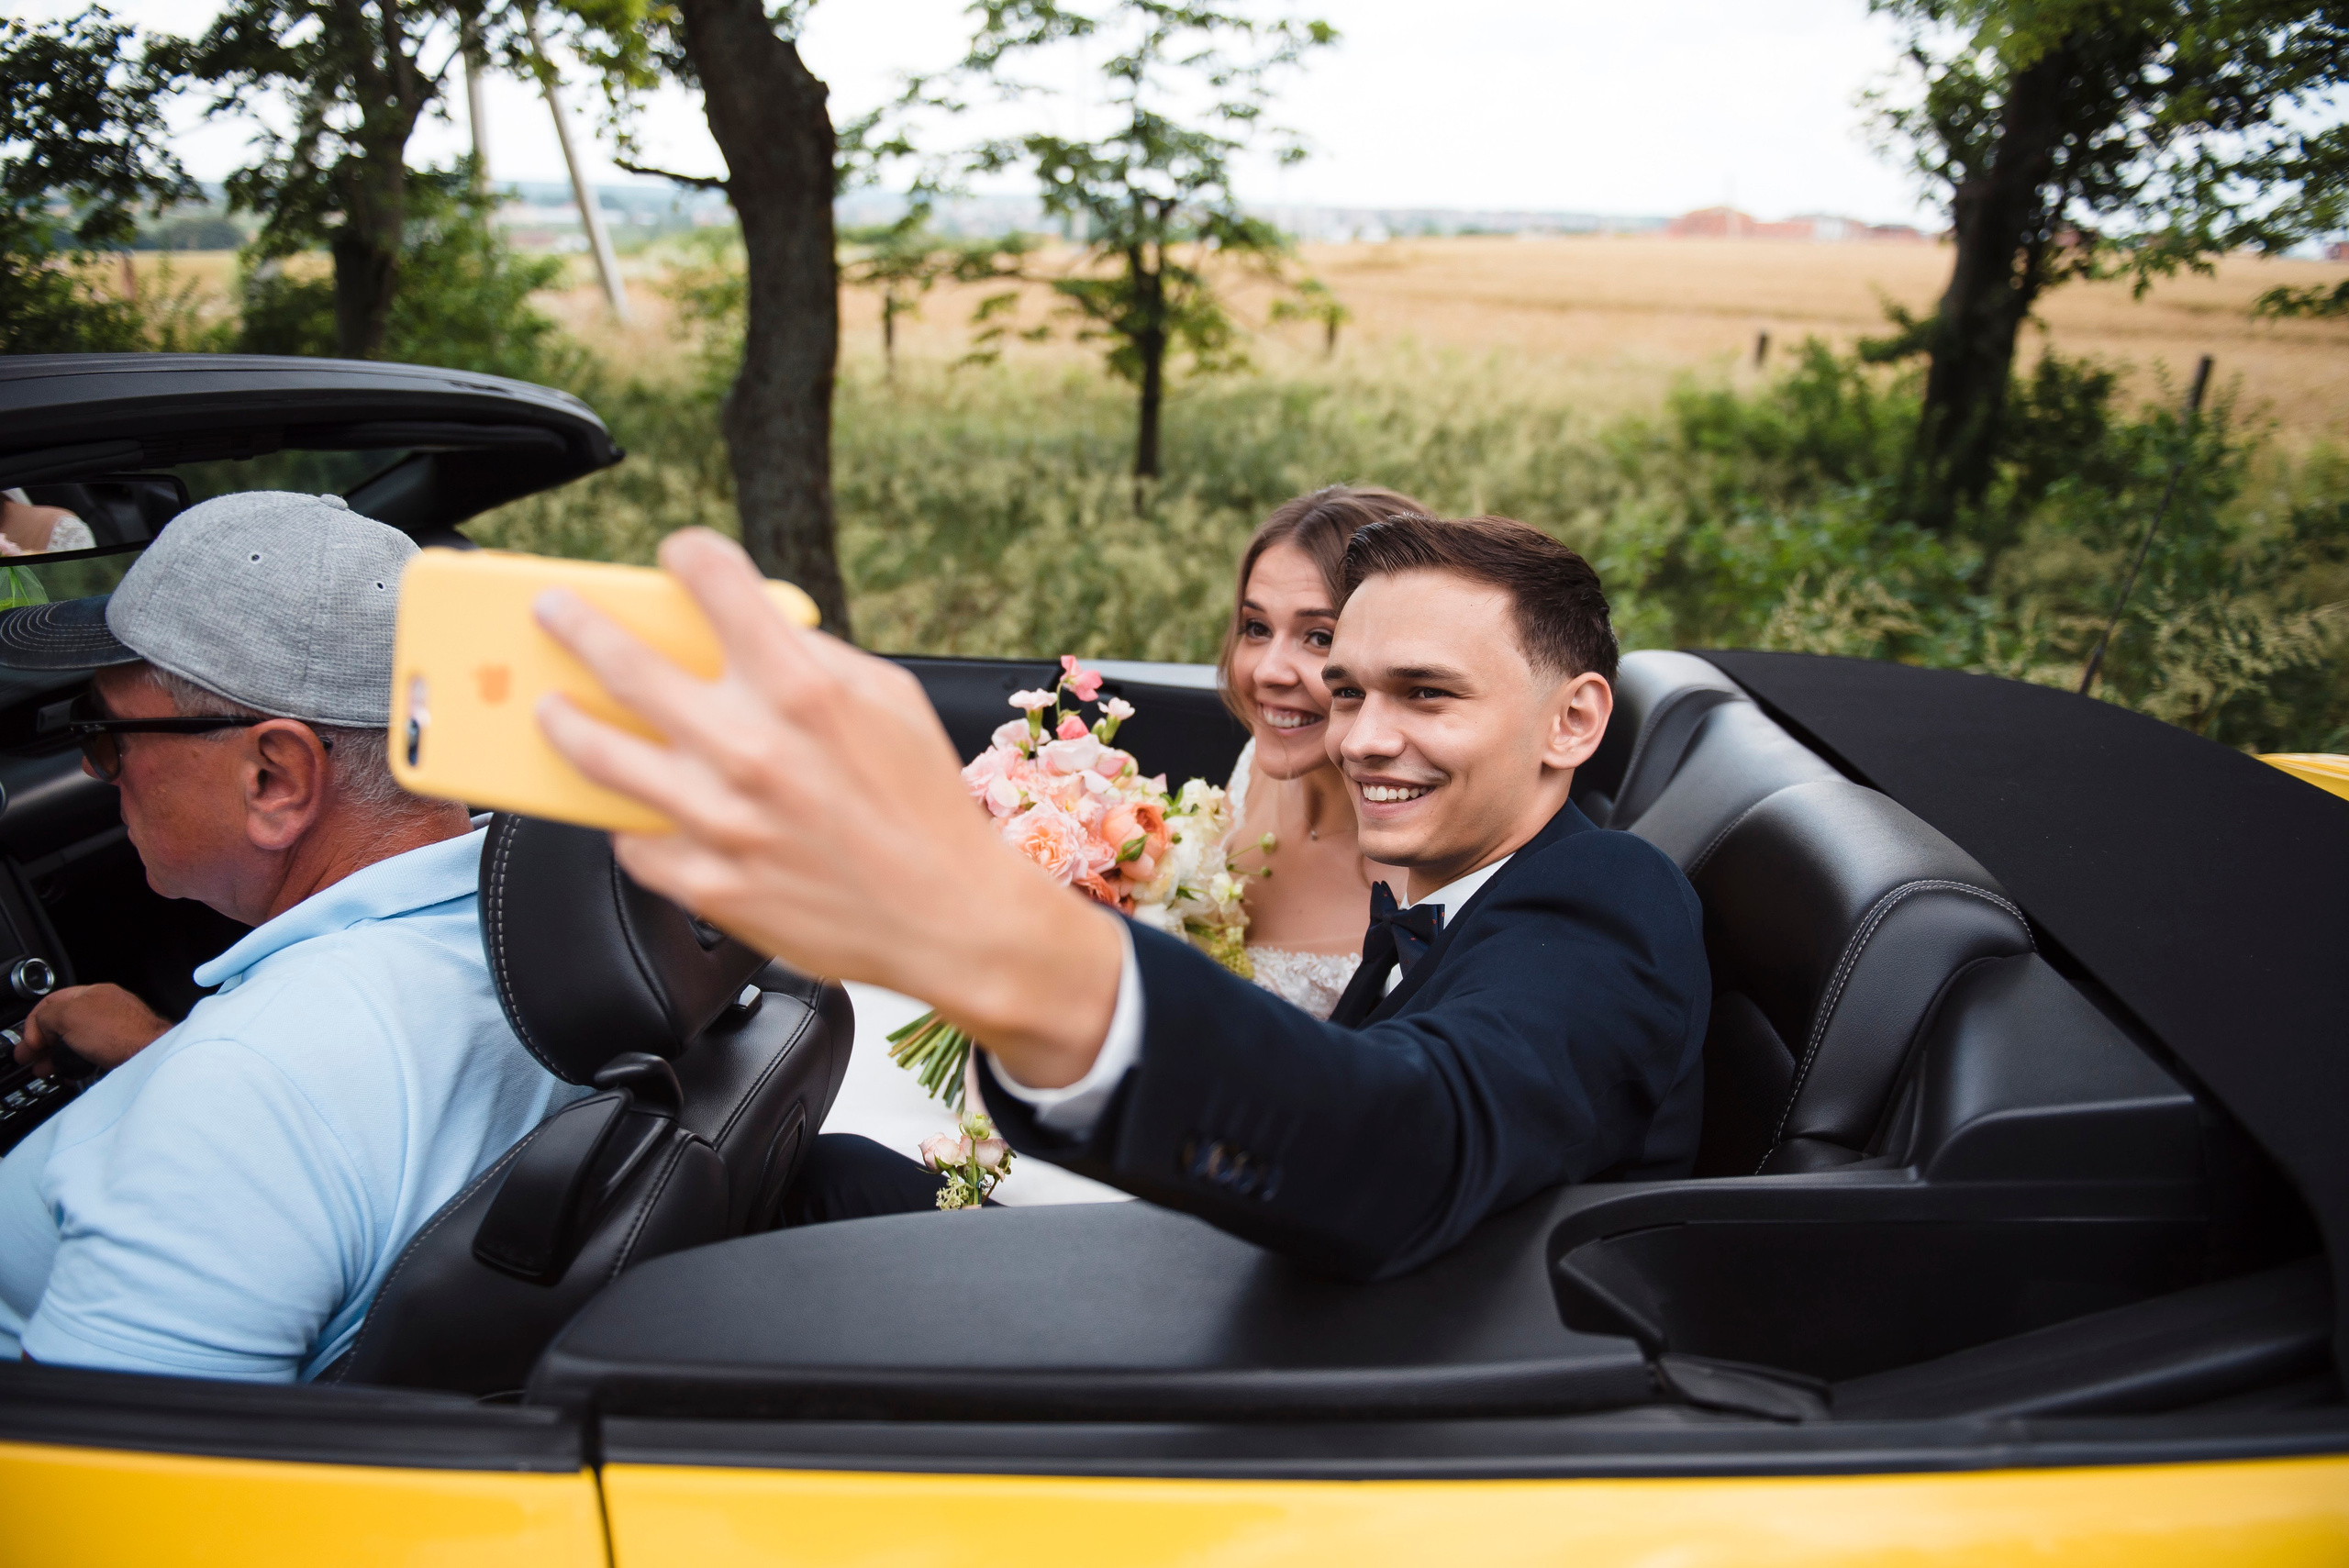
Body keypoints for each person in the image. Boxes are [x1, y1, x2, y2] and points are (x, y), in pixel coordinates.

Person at [534, 515, 1708, 1280]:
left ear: (1572, 720)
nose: (1360, 738)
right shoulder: (1441, 883)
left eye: (1427, 694)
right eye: (1350, 691)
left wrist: (1004, 937)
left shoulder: (1608, 899)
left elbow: (1413, 1138)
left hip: (1395, 1369)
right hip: (1276, 1266)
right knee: (828, 1173)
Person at [0, 492, 586, 1380]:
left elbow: (105, 1458)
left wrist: (209, 1084)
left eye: (108, 734)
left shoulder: (246, 1093)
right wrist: (164, 1057)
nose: (94, 767)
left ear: (274, 776)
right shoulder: (539, 927)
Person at [1219, 485, 1423, 1018]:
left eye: (1319, 637)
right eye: (1256, 628)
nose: (1268, 671)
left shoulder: (1422, 878)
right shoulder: (1253, 767)